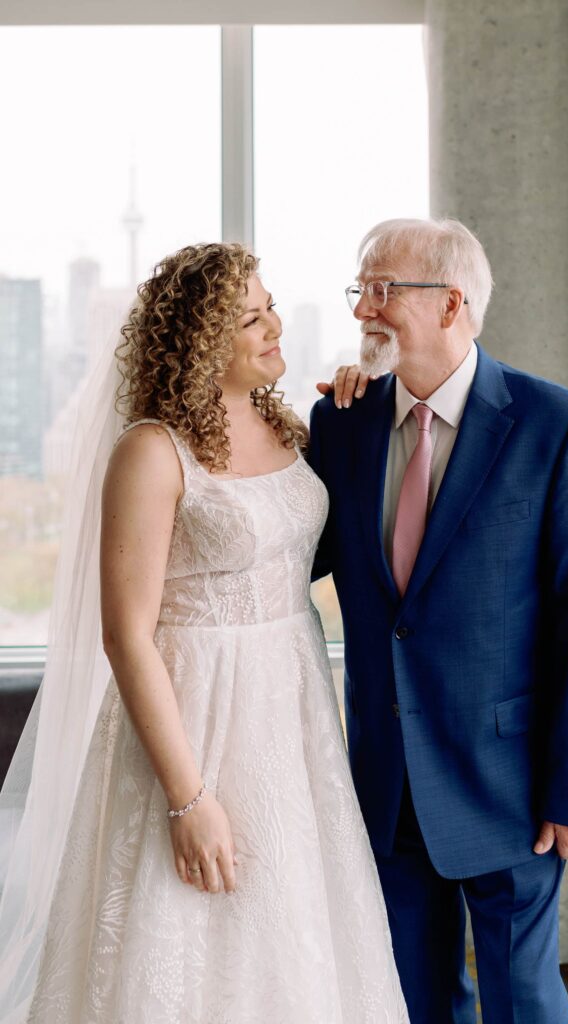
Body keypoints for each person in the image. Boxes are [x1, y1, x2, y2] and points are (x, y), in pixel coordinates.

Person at [0, 243, 407, 1023]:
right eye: (251, 318)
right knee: (186, 933)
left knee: (300, 937)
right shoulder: (152, 452)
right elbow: (125, 636)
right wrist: (189, 801)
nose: (275, 327)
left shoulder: (287, 426)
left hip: (292, 727)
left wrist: (362, 393)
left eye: (271, 306)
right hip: (196, 727)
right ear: (200, 341)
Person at [309, 218, 568, 1024]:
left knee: (522, 1000)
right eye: (361, 289)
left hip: (511, 783)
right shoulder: (342, 424)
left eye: (384, 290)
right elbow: (286, 555)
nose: (363, 310)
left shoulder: (557, 426)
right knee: (413, 998)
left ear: (452, 303)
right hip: (386, 777)